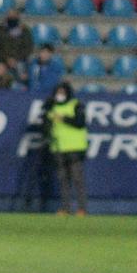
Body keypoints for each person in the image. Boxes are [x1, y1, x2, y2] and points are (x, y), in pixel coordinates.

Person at [46, 81, 88, 216]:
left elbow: (80, 123)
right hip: (59, 147)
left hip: (75, 148)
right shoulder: (51, 107)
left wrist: (64, 118)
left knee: (77, 179)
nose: (60, 95)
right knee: (63, 180)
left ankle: (82, 208)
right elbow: (47, 126)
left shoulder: (75, 105)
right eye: (58, 93)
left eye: (62, 93)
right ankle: (65, 208)